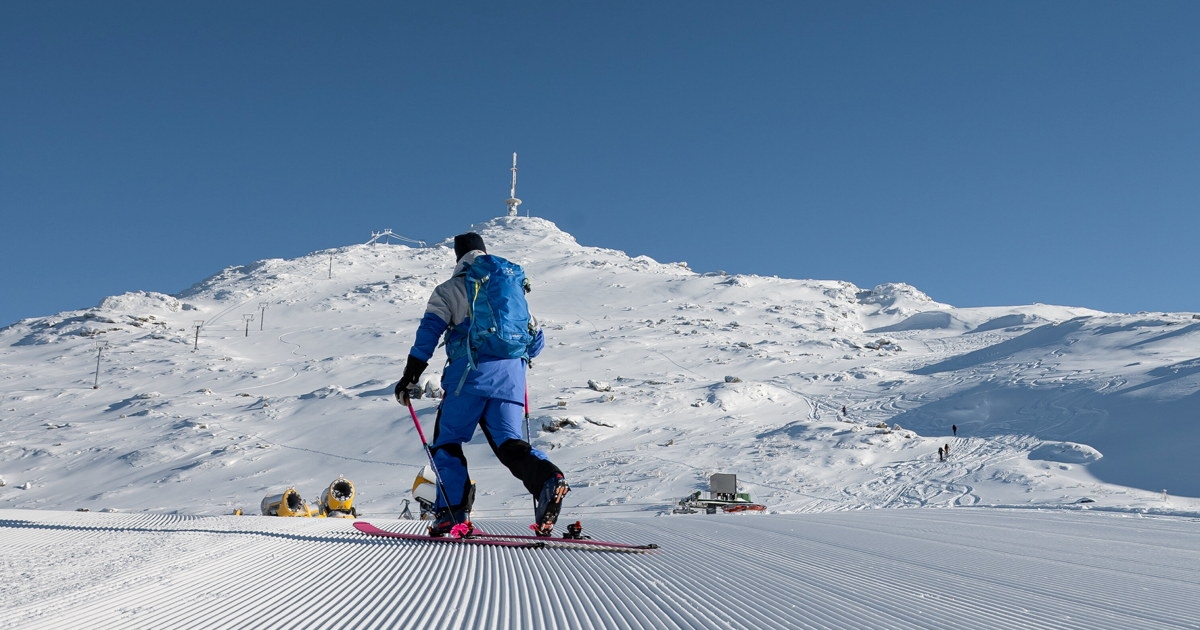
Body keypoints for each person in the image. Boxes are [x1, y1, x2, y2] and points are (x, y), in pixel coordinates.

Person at [395, 232, 569, 537]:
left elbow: (428, 334)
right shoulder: (513, 292)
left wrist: (410, 376)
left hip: (469, 380)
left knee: (447, 443)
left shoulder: (450, 289)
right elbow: (536, 342)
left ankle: (451, 513)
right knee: (510, 445)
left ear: (458, 256)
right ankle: (548, 479)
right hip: (512, 383)